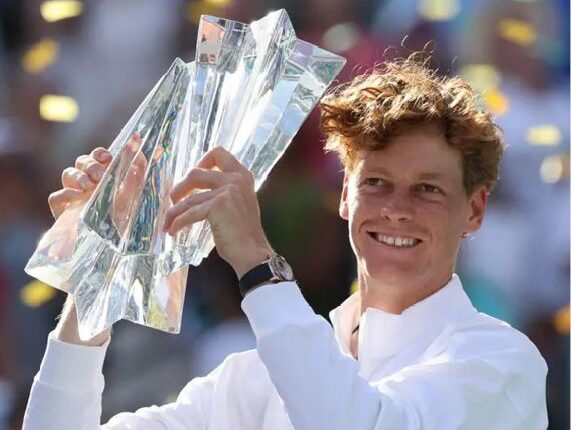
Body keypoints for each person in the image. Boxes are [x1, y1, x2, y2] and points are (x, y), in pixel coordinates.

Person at [23, 55, 547, 429]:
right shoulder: (256, 376)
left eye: (428, 189)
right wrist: (104, 266)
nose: (396, 208)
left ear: (474, 210)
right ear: (345, 196)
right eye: (375, 182)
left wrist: (256, 259)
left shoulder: (501, 362)